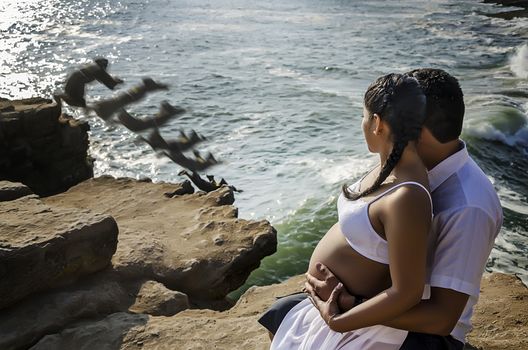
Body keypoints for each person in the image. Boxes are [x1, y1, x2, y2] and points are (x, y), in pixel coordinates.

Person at [261, 69, 503, 350]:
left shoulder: (467, 206)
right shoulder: (408, 168)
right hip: (373, 303)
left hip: (419, 332)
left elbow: (442, 317)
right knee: (281, 315)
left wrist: (351, 308)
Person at [263, 73, 434, 349]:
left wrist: (338, 320)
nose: (362, 123)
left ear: (377, 123)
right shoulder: (392, 167)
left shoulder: (407, 196)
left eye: (364, 116)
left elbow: (407, 292)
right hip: (338, 311)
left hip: (357, 327)